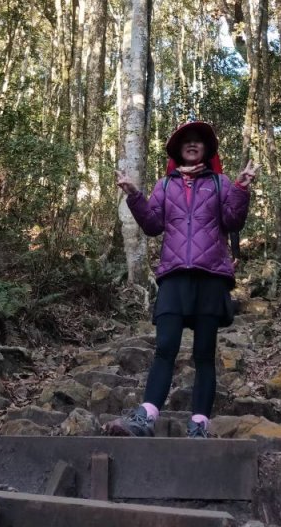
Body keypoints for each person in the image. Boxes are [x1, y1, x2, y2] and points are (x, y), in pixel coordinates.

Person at [107, 120, 256, 439]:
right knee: (165, 347)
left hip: (211, 276)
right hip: (174, 276)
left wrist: (241, 189)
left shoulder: (220, 183)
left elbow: (233, 220)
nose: (192, 144)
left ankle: (200, 424)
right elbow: (152, 225)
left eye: (198, 141)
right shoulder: (164, 186)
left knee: (204, 353)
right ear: (177, 149)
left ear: (206, 148)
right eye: (185, 141)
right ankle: (146, 417)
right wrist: (134, 196)